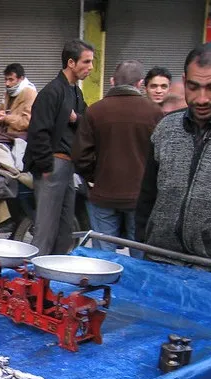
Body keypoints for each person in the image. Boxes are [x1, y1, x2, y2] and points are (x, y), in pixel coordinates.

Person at [136, 42, 211, 267]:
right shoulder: (166, 128)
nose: (201, 99)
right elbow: (148, 194)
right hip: (159, 262)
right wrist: (143, 241)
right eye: (193, 86)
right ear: (184, 81)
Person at [72, 60, 163, 257]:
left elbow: (80, 155)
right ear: (139, 83)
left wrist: (95, 178)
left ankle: (105, 288)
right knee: (140, 255)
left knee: (103, 257)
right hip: (140, 197)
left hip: (103, 194)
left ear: (113, 81)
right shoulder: (154, 113)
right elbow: (161, 158)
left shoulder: (95, 111)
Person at [24, 39, 94, 256]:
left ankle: (55, 280)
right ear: (71, 63)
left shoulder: (76, 93)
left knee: (64, 231)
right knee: (45, 231)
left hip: (68, 166)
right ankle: (34, 280)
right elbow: (38, 132)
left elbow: (86, 122)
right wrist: (46, 167)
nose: (90, 67)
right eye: (87, 62)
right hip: (52, 165)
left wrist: (75, 118)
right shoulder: (51, 92)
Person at [0, 63, 37, 135]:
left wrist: (6, 118)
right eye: (6, 79)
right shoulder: (8, 92)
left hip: (20, 138)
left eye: (11, 80)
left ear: (21, 79)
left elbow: (27, 122)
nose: (7, 83)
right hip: (5, 135)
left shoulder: (30, 93)